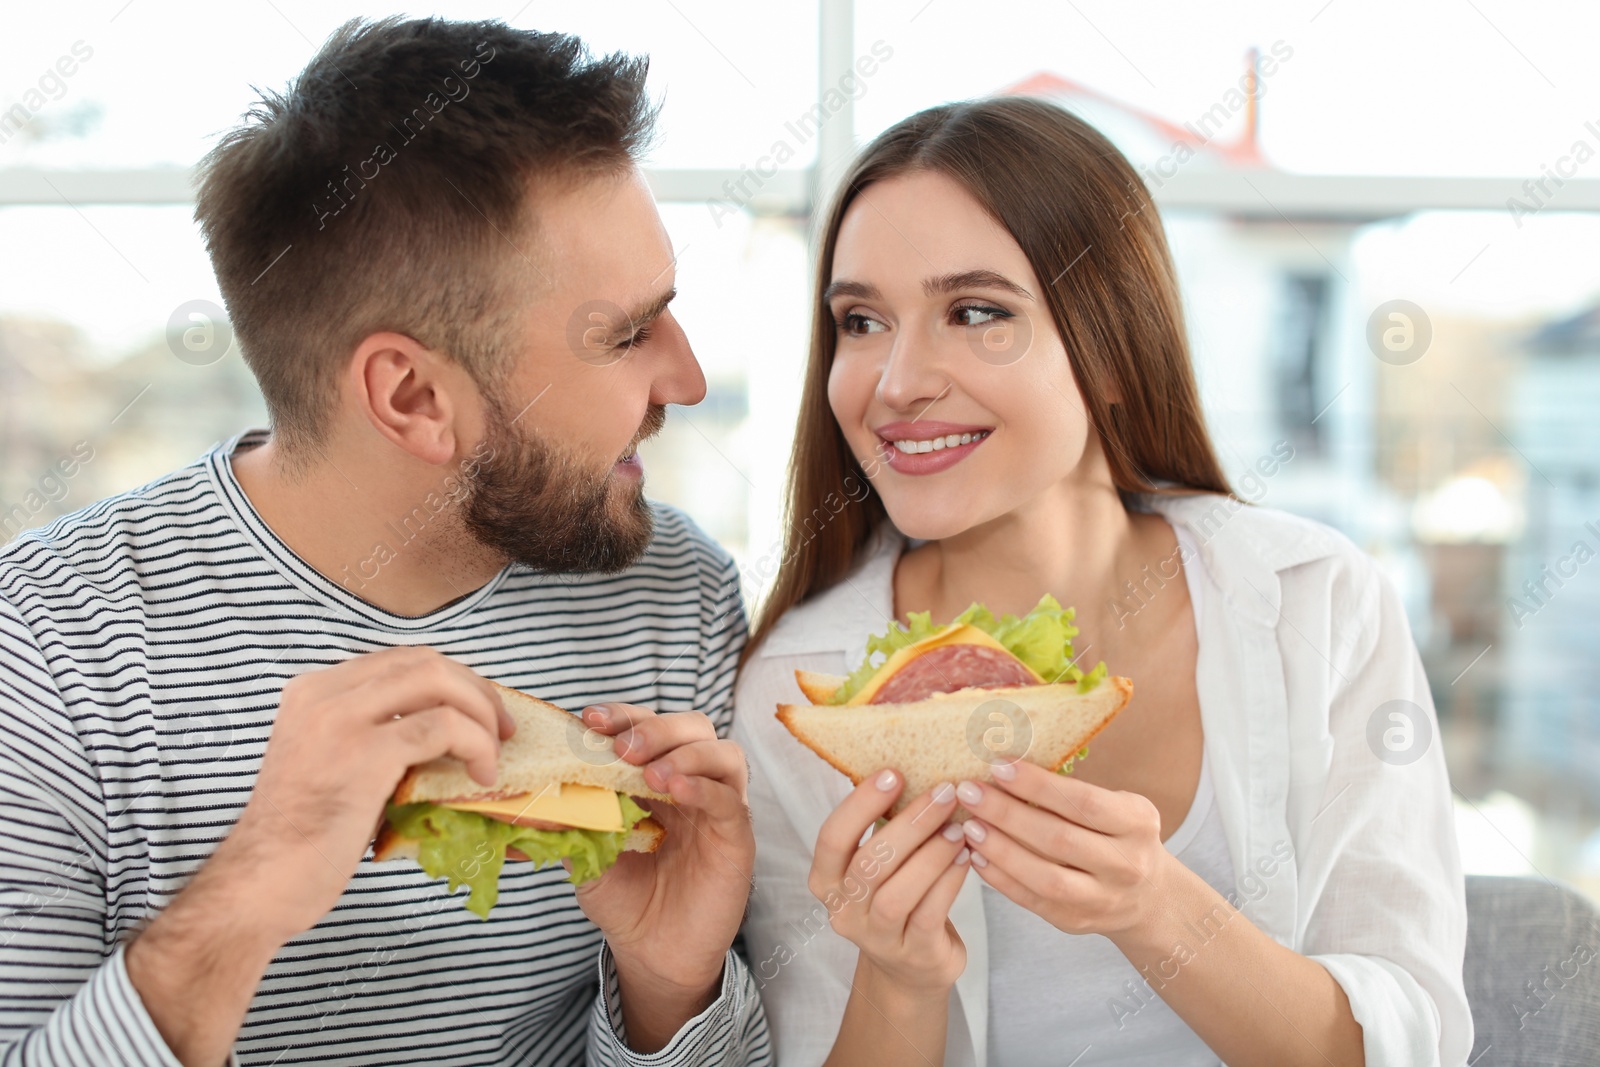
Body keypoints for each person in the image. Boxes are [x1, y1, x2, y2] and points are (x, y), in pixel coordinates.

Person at [0, 17, 769, 1067]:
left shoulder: (673, 590)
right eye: (625, 335)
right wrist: (251, 889)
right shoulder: (43, 647)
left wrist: (669, 988)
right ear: (411, 396)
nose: (682, 379)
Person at [732, 97, 1471, 1066]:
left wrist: (1154, 906)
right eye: (860, 320)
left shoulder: (1314, 599)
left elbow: (1409, 1035)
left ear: (1113, 347)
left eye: (976, 311)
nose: (896, 380)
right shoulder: (804, 687)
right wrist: (900, 975)